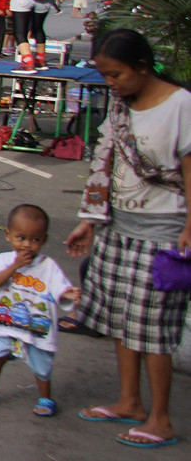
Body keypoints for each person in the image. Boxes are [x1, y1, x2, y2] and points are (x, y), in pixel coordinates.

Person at [65, 29, 191, 448]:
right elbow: (105, 160)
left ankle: (160, 420)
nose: (110, 84)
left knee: (153, 331)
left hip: (165, 236)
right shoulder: (121, 107)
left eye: (116, 75)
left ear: (142, 67)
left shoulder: (181, 105)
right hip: (119, 230)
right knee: (122, 320)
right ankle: (129, 401)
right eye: (105, 76)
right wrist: (90, 218)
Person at [0, 203, 77, 416]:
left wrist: (68, 294)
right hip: (7, 323)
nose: (27, 245)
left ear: (44, 240)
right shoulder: (3, 260)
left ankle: (45, 398)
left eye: (35, 240)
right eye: (21, 238)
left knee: (42, 367)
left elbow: (59, 287)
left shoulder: (48, 266)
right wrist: (14, 267)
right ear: (8, 235)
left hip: (35, 327)